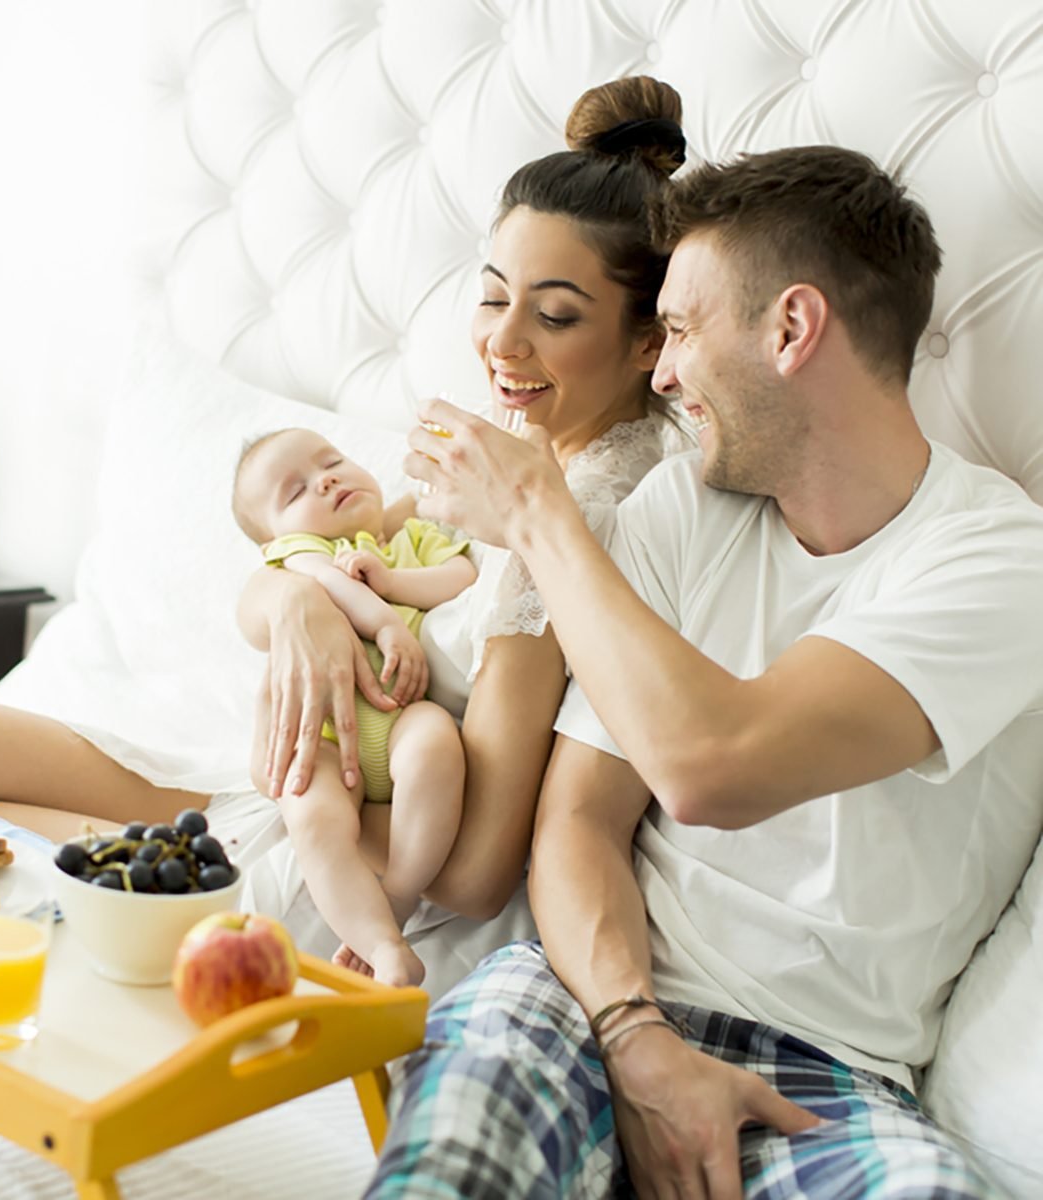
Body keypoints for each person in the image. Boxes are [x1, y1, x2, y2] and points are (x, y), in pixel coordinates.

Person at [365, 146, 1043, 1198]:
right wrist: (635, 1037)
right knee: (450, 1164)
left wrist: (541, 515)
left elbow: (714, 766)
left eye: (679, 329)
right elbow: (581, 822)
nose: (664, 372)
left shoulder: (1000, 561)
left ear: (792, 329)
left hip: (829, 1076)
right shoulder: (679, 512)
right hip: (582, 1004)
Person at [239, 74, 684, 923]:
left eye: (554, 317)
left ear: (648, 341)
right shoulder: (511, 438)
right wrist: (299, 600)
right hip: (341, 775)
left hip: (382, 857)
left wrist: (316, 806)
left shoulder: (578, 519)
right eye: (491, 297)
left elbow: (476, 871)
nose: (501, 341)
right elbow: (342, 549)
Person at [232, 426, 475, 984]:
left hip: (401, 715)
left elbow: (461, 578)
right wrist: (385, 621)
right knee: (310, 813)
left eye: (332, 461)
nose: (326, 480)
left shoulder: (413, 539)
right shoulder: (300, 557)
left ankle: (399, 897)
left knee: (436, 744)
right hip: (324, 739)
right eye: (295, 493)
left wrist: (392, 580)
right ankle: (384, 948)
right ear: (272, 542)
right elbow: (328, 584)